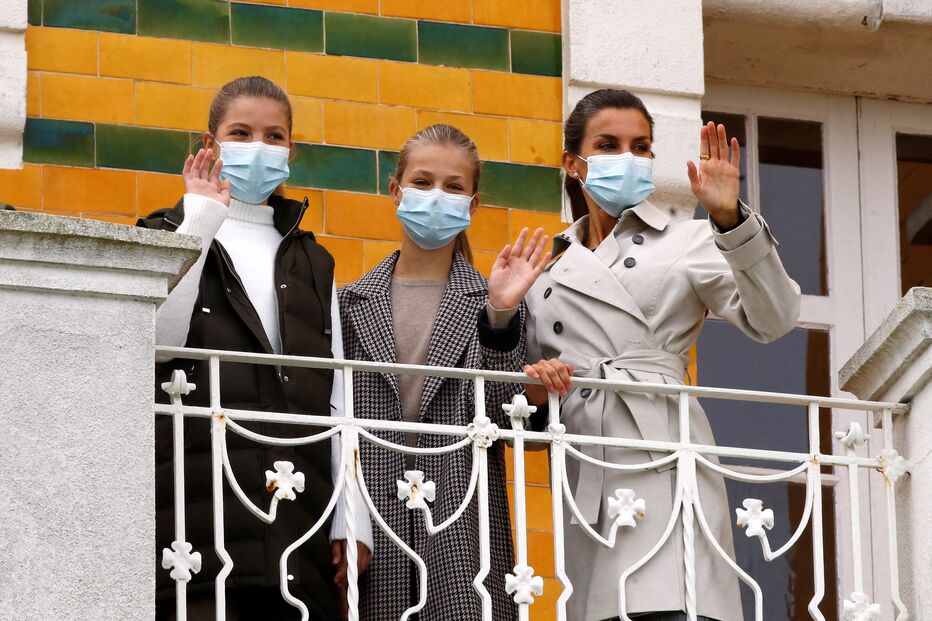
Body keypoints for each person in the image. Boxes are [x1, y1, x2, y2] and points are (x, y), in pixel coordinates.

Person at [488, 89, 801, 621]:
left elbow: (775, 319)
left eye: (640, 147)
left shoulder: (689, 239)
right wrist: (503, 321)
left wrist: (731, 221)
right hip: (590, 469)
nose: (626, 159)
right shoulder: (543, 275)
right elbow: (522, 421)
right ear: (573, 164)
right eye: (608, 146)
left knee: (676, 601)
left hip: (666, 455)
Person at [138, 75, 372, 620]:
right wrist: (198, 221)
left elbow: (337, 394)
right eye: (241, 133)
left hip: (297, 518)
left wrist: (351, 519)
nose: (259, 147)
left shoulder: (313, 259)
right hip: (194, 523)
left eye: (274, 136)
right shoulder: (164, 232)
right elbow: (157, 345)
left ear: (291, 150)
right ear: (210, 143)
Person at [338, 124, 551, 620]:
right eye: (423, 181)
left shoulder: (494, 304)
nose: (436, 195)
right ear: (396, 191)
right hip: (373, 515)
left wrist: (500, 313)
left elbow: (502, 419)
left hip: (462, 517)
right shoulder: (348, 303)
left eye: (453, 187)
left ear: (472, 205)